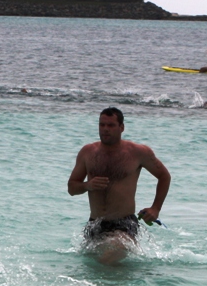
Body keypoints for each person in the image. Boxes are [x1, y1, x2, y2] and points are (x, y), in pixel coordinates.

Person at [67, 107, 171, 264]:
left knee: (111, 256)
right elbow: (71, 188)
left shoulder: (138, 152)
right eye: (102, 125)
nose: (105, 129)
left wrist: (155, 208)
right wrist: (88, 185)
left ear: (122, 127)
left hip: (124, 224)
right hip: (95, 224)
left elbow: (164, 176)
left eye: (111, 125)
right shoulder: (87, 152)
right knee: (94, 266)